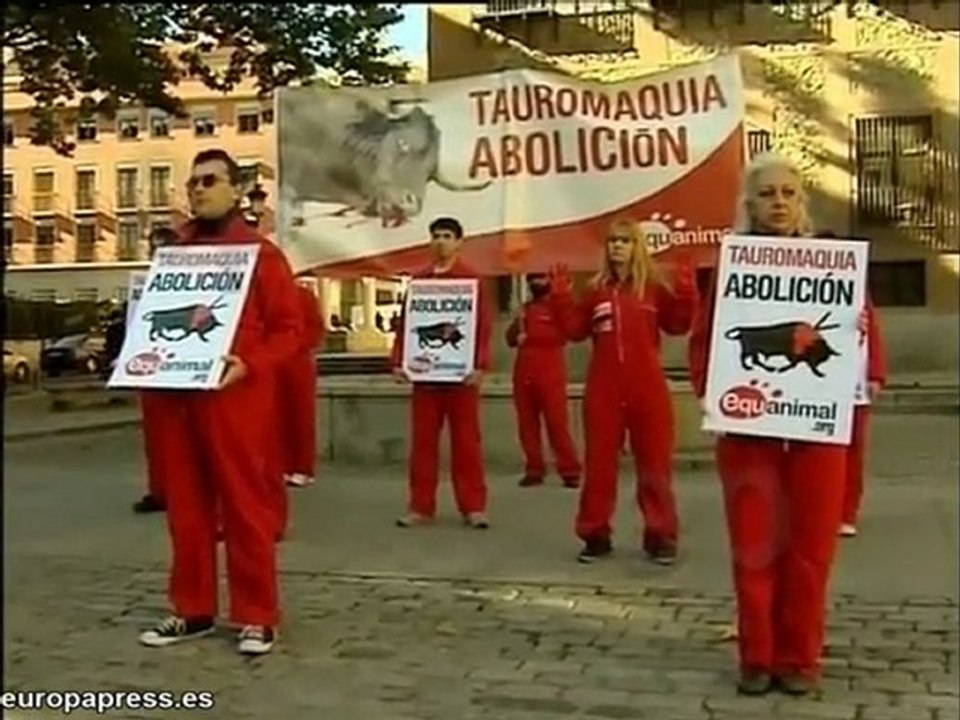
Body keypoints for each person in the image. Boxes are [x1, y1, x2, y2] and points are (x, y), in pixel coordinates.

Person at [688, 153, 884, 696]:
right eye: (767, 193)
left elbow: (864, 330)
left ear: (802, 202)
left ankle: (800, 657)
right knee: (754, 545)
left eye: (788, 193)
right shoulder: (733, 267)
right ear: (748, 203)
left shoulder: (833, 263)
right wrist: (719, 395)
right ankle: (757, 655)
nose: (778, 202)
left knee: (810, 548)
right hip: (751, 433)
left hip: (818, 434)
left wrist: (862, 341)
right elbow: (704, 341)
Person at [138, 149, 302, 656]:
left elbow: (290, 331)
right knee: (185, 509)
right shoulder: (175, 253)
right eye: (193, 183)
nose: (199, 189)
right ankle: (193, 609)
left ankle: (257, 614)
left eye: (210, 181)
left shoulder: (261, 254)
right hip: (177, 397)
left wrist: (251, 363)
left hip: (236, 400)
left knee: (245, 507)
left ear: (236, 191)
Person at [548, 218, 698, 566]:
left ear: (636, 247)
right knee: (600, 465)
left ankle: (660, 535)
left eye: (625, 241)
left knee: (655, 466)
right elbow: (574, 330)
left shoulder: (653, 289)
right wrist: (560, 299)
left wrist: (688, 292)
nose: (617, 246)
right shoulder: (597, 291)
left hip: (647, 386)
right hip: (604, 388)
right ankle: (595, 534)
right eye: (612, 241)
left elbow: (678, 325)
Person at [391, 217, 492, 529]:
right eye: (436, 236)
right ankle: (420, 507)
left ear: (459, 241)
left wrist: (480, 365)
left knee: (466, 445)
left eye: (447, 236)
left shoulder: (472, 280)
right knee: (422, 445)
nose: (441, 241)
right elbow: (406, 324)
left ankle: (473, 507)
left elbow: (483, 327)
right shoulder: (419, 281)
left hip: (460, 379)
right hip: (426, 379)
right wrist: (398, 360)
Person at [505, 273, 581, 488]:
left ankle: (570, 470)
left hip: (550, 371)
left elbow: (566, 334)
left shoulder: (558, 307)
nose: (536, 283)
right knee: (527, 424)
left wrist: (532, 337)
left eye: (541, 278)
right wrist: (515, 327)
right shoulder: (525, 309)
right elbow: (510, 339)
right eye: (533, 279)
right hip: (523, 371)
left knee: (557, 423)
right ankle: (534, 468)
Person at [133, 226, 180, 515]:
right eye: (155, 247)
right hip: (153, 371)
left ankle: (177, 490)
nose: (158, 252)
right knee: (155, 437)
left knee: (178, 438)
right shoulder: (146, 283)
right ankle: (159, 490)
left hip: (180, 370)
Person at [281, 276, 325, 490]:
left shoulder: (304, 296)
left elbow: (316, 328)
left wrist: (299, 346)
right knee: (277, 416)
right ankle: (284, 465)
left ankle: (303, 467)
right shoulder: (267, 295)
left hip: (298, 361)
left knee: (301, 415)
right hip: (275, 361)